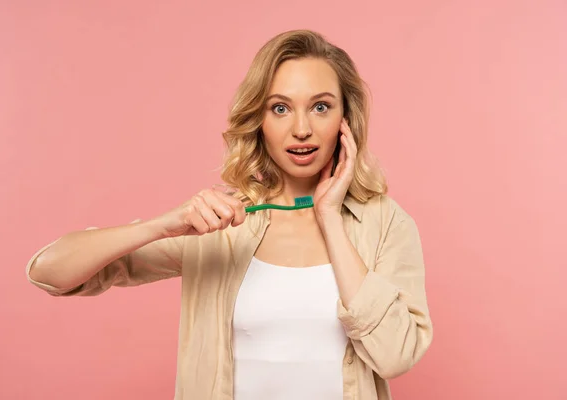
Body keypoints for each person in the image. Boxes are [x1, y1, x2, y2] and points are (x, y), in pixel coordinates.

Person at [26, 29, 433, 400]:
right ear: (258, 120)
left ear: (346, 119)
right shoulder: (218, 224)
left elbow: (396, 356)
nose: (302, 129)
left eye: (321, 107)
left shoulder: (386, 224)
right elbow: (49, 272)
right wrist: (161, 226)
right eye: (280, 108)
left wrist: (329, 217)